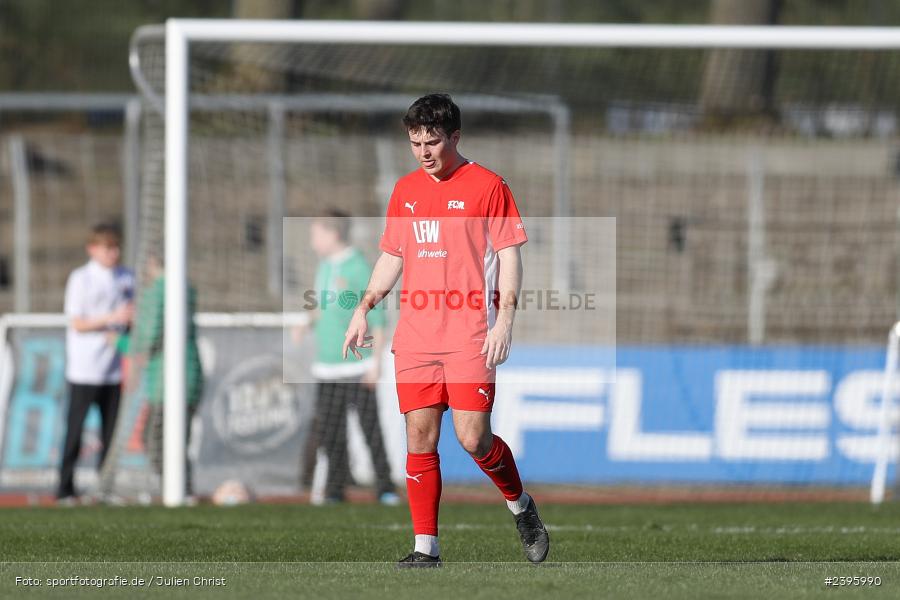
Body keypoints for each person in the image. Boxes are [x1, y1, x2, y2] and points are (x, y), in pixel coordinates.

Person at [343, 93, 549, 566]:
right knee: (419, 436)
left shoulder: (488, 186)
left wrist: (506, 320)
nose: (424, 151)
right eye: (415, 142)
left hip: (470, 334)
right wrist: (364, 307)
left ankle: (521, 506)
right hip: (416, 337)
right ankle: (425, 548)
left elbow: (512, 257)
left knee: (473, 438)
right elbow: (392, 255)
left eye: (432, 141)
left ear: (454, 137)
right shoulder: (405, 190)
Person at [306, 210, 398, 505]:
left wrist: (376, 364)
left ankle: (385, 488)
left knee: (370, 429)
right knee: (331, 432)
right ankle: (335, 490)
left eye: (316, 234)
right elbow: (323, 308)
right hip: (327, 366)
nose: (312, 241)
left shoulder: (358, 267)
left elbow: (379, 318)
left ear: (333, 234)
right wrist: (306, 323)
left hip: (357, 365)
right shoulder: (324, 267)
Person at [58, 223, 134, 503]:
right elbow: (77, 322)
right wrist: (112, 318)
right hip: (84, 368)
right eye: (107, 248)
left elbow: (132, 315)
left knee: (111, 434)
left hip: (113, 370)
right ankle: (64, 489)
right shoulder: (81, 278)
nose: (113, 253)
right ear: (93, 249)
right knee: (75, 431)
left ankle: (105, 488)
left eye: (116, 247)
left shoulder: (127, 276)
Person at [127, 252, 203, 498]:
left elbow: (149, 338)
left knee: (155, 441)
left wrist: (120, 342)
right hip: (190, 375)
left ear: (151, 262)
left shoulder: (158, 291)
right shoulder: (187, 287)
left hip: (167, 380)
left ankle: (179, 491)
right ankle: (183, 491)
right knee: (177, 441)